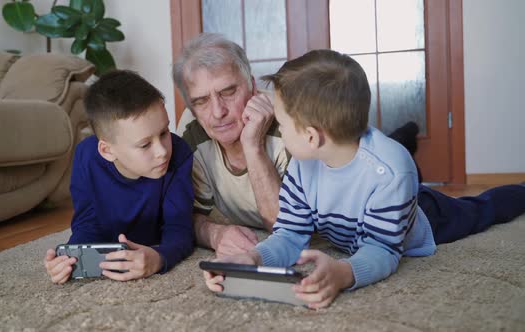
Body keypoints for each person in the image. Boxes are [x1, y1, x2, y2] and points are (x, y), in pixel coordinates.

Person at [203, 49, 525, 309]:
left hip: (425, 214)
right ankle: (406, 133)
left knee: (482, 209)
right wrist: (253, 257)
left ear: (313, 136)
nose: (280, 132)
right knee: (392, 153)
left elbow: (384, 249)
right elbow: (290, 234)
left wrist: (344, 273)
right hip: (370, 184)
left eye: (282, 125)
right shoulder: (303, 163)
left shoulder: (390, 172)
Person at [173, 33, 422, 257]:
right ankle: (402, 137)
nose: (218, 112)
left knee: (425, 200)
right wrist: (214, 234)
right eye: (202, 101)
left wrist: (253, 147)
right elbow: (182, 217)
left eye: (228, 92)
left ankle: (402, 140)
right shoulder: (192, 132)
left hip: (367, 181)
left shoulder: (291, 125)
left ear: (251, 85)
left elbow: (283, 224)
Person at [44, 70, 195, 284]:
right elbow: (87, 223)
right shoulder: (86, 157)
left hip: (154, 244)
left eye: (164, 132)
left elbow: (179, 228)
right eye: (145, 145)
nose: (162, 151)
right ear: (107, 151)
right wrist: (70, 257)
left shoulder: (179, 154)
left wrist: (159, 258)